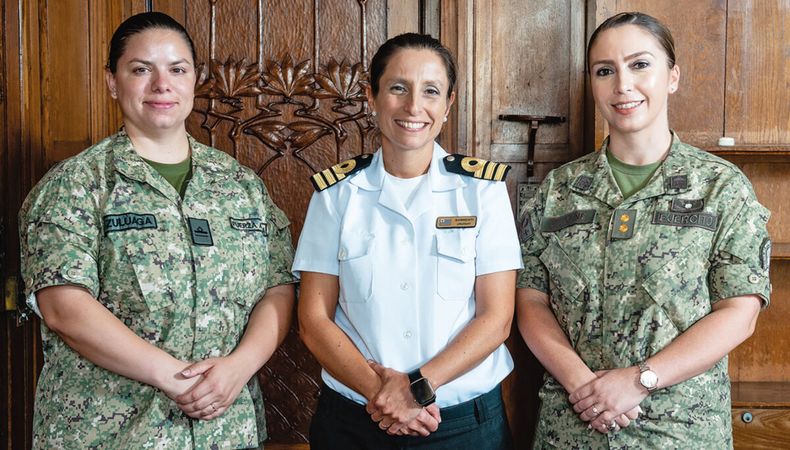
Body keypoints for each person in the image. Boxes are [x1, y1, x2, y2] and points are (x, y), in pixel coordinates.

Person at [18, 12, 296, 449]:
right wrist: (174, 378)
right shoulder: (76, 185)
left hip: (224, 431)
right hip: (109, 434)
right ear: (112, 82)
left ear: (194, 80)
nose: (161, 84)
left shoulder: (241, 186)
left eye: (177, 69)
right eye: (141, 69)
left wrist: (238, 368)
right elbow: (64, 308)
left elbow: (278, 289)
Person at [516, 11, 771, 449]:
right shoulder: (559, 191)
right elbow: (530, 300)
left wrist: (640, 380)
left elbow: (739, 312)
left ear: (672, 76)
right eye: (604, 71)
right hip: (575, 426)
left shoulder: (720, 187)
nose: (622, 85)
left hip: (680, 430)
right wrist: (584, 385)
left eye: (640, 64)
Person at [294, 33, 522, 449]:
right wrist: (385, 396)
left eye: (430, 91)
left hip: (462, 424)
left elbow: (497, 318)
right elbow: (313, 320)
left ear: (448, 104)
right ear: (372, 96)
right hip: (356, 420)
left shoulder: (482, 192)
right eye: (398, 87)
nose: (414, 107)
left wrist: (416, 389)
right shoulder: (335, 194)